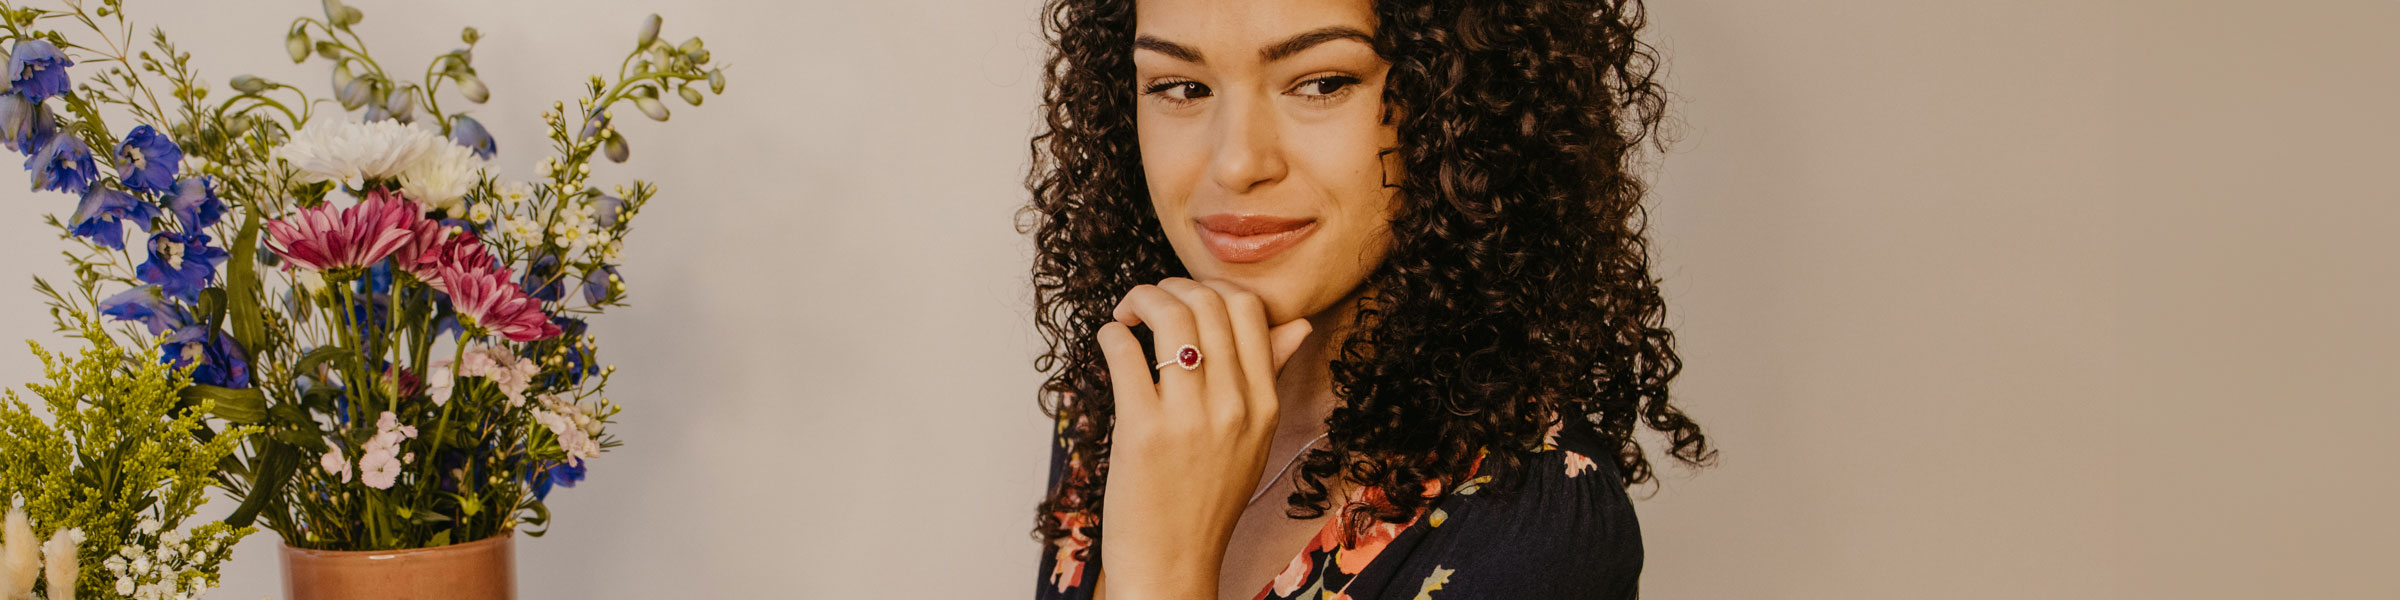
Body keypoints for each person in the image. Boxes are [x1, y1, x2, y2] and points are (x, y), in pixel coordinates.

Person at [1020, 1, 1712, 598]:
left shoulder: (1537, 528)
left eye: (1321, 83)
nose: (1236, 162)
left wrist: (1162, 577)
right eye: (1180, 86)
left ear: (1460, 98)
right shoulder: (1133, 394)